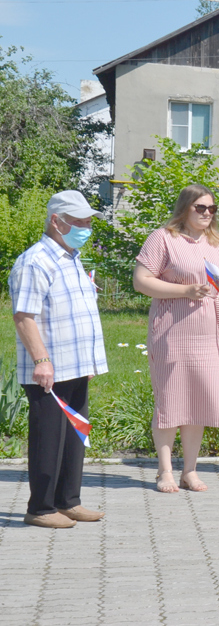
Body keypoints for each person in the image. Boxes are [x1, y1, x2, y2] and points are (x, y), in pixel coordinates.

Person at [11, 191, 107, 528]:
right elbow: (24, 316)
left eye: (87, 221)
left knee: (74, 435)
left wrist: (90, 362)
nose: (86, 226)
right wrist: (41, 360)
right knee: (48, 436)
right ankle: (40, 508)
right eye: (79, 221)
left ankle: (68, 501)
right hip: (50, 368)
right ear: (56, 221)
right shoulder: (35, 260)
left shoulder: (72, 257)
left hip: (77, 364)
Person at [133, 184, 219, 494]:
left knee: (200, 401)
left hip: (209, 334)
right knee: (170, 401)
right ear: (185, 208)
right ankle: (164, 471)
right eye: (200, 208)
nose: (207, 213)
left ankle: (189, 470)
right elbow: (141, 281)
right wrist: (185, 291)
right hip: (173, 331)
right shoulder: (163, 238)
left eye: (212, 208)